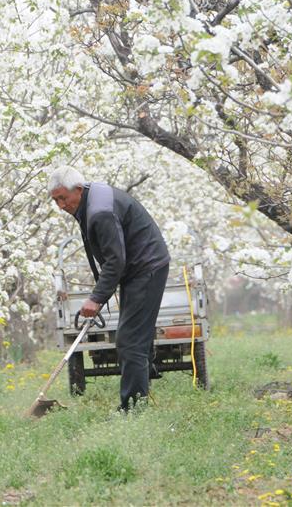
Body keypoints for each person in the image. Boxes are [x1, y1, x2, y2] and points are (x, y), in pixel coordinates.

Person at [48, 165, 171, 412]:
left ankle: (133, 409)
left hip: (146, 268)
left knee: (128, 341)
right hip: (137, 269)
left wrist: (96, 299)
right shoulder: (91, 199)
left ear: (79, 190)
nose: (61, 205)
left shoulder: (99, 212)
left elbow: (116, 260)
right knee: (134, 335)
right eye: (56, 200)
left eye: (63, 198)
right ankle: (143, 384)